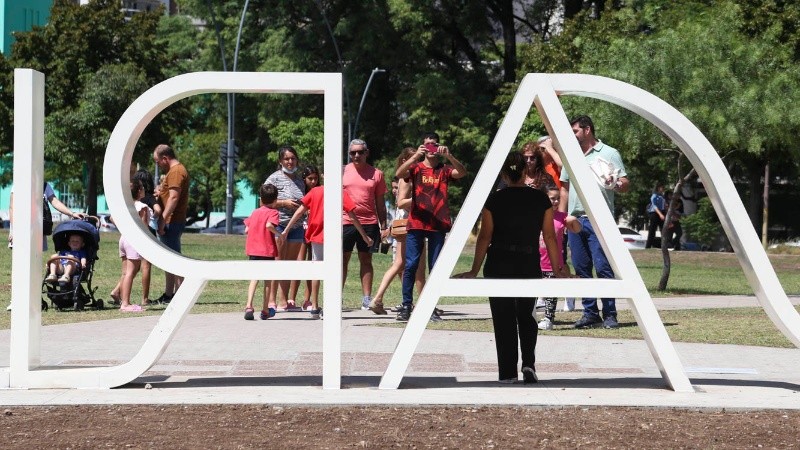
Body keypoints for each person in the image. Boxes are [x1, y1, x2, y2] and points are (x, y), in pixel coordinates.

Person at [456, 152, 566, 384]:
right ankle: (528, 363)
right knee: (527, 315)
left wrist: (474, 270)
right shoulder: (540, 199)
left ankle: (507, 372)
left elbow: (485, 237)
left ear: (504, 174)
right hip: (528, 262)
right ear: (525, 172)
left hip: (499, 263)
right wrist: (557, 269)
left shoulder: (495, 200)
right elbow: (549, 236)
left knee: (503, 318)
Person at [559, 115, 629, 329]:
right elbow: (564, 187)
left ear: (587, 130)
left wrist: (615, 183)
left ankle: (610, 315)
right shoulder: (570, 156)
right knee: (581, 269)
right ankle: (590, 313)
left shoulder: (609, 153)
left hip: (599, 220)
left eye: (575, 131)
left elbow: (625, 183)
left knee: (603, 267)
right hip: (574, 220)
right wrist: (561, 219)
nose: (573, 136)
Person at [395, 132, 467, 322]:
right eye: (427, 145)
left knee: (435, 268)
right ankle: (406, 305)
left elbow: (462, 173)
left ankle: (429, 306)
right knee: (411, 264)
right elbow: (399, 174)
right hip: (417, 222)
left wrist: (449, 155)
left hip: (438, 223)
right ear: (422, 147)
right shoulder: (416, 168)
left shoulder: (444, 169)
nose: (431, 149)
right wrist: (415, 155)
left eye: (434, 145)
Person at [283, 178, 374, 319]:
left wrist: (286, 229)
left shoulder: (315, 191)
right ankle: (329, 307)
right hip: (333, 238)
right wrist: (364, 236)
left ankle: (314, 306)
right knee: (333, 272)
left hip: (316, 236)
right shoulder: (341, 193)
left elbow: (300, 211)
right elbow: (352, 216)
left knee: (317, 270)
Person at [368, 150, 427, 315]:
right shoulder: (407, 178)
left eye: (419, 157)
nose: (418, 160)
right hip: (410, 225)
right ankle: (425, 304)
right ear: (404, 160)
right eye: (413, 157)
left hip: (403, 225)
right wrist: (422, 198)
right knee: (419, 268)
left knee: (400, 264)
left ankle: (378, 299)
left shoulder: (407, 177)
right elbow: (401, 203)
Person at [342, 139, 388, 311]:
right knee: (342, 260)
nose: (356, 155)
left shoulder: (377, 174)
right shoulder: (342, 171)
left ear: (366, 153)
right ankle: (336, 297)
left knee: (366, 260)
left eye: (360, 152)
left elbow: (380, 203)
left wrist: (383, 226)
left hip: (369, 222)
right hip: (345, 221)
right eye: (353, 152)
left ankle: (366, 299)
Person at [264, 146, 306, 311]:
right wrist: (284, 203)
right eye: (286, 159)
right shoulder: (273, 178)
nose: (290, 162)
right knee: (278, 263)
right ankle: (271, 300)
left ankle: (284, 301)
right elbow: (264, 202)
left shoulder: (300, 180)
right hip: (279, 225)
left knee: (290, 265)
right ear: (280, 161)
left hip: (296, 226)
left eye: (293, 158)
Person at [153, 144, 189, 304]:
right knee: (170, 259)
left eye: (157, 161)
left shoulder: (176, 172)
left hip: (171, 222)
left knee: (175, 260)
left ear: (165, 158)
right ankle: (169, 294)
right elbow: (170, 195)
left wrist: (162, 220)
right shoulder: (175, 171)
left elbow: (174, 198)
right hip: (171, 221)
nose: (157, 164)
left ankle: (181, 295)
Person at [110, 179, 152, 312]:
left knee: (125, 272)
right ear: (139, 191)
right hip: (134, 240)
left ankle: (121, 298)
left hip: (123, 239)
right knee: (131, 272)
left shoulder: (125, 205)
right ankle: (125, 304)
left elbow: (112, 218)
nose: (144, 190)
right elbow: (145, 226)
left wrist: (124, 229)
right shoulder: (142, 207)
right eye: (143, 188)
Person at [243, 184, 282, 321]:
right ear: (275, 200)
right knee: (267, 281)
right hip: (267, 250)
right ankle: (265, 309)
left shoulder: (255, 212)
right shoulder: (273, 212)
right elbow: (269, 225)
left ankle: (249, 305)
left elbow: (247, 230)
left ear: (261, 199)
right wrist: (279, 234)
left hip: (253, 250)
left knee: (254, 278)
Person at [537, 185, 568, 331]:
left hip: (554, 262)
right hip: (536, 260)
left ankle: (549, 319)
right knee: (533, 291)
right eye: (552, 198)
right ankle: (530, 317)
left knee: (551, 293)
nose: (555, 202)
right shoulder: (537, 215)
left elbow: (574, 227)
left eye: (558, 199)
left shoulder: (563, 217)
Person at [132, 169, 159, 306]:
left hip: (132, 234)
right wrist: (156, 216)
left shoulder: (132, 200)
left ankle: (117, 290)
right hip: (147, 233)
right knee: (146, 266)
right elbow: (158, 209)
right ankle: (144, 298)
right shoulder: (149, 198)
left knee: (132, 267)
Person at [646, 183, 666, 249]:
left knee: (663, 230)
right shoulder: (654, 195)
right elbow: (654, 206)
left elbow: (663, 205)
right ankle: (648, 246)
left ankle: (663, 246)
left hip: (662, 212)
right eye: (661, 187)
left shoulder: (662, 196)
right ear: (658, 188)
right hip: (654, 213)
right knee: (652, 230)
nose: (662, 189)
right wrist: (660, 214)